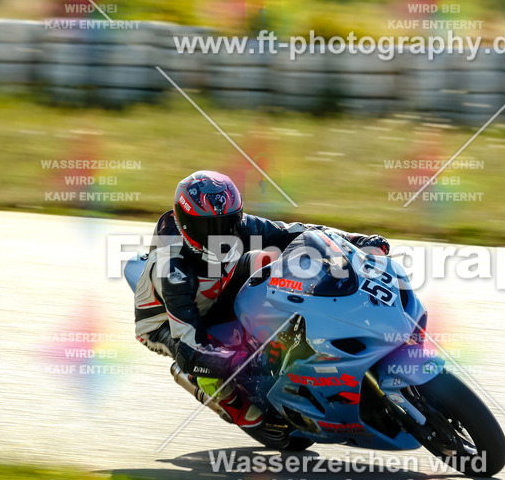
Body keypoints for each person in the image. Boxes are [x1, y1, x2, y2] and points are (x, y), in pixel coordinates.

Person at [133, 170, 389, 427]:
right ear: (188, 225)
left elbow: (297, 233)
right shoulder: (172, 269)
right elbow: (192, 350)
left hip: (219, 284)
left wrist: (357, 241)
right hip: (167, 323)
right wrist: (242, 361)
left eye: (229, 222)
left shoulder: (239, 228)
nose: (224, 234)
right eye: (211, 227)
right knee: (203, 367)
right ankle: (226, 399)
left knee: (277, 267)